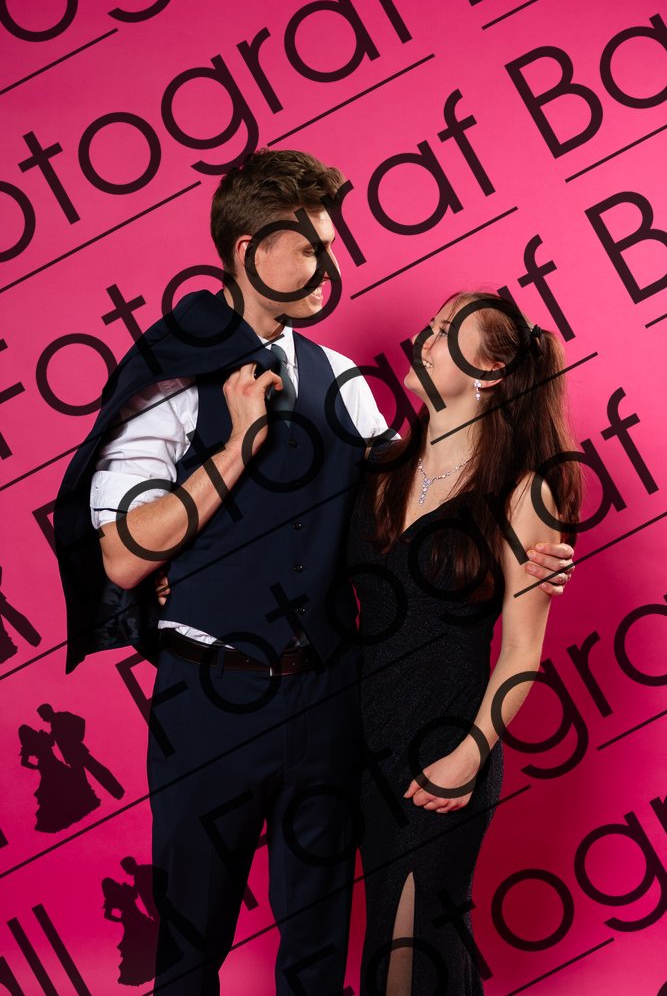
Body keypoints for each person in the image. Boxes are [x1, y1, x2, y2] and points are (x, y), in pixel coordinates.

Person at [54, 148, 572, 995]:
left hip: (329, 704)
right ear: (249, 249)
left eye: (331, 246)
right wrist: (234, 450)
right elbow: (121, 554)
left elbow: (422, 499)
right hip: (208, 701)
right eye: (310, 248)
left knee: (318, 952)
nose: (330, 267)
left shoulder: (342, 381)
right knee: (189, 945)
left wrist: (526, 543)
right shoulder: (168, 377)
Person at [345, 292, 582, 996]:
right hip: (361, 740)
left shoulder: (522, 493)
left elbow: (521, 653)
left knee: (411, 945)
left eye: (447, 330)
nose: (425, 336)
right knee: (394, 938)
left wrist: (469, 756)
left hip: (447, 740)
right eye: (430, 324)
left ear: (488, 370)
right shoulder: (379, 465)